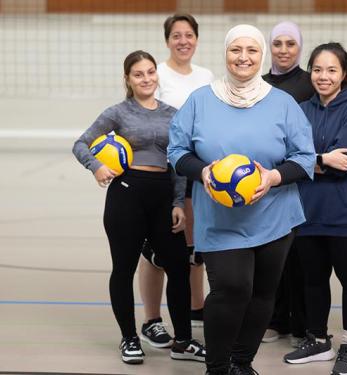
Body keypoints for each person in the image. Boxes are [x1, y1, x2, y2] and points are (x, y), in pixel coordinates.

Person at [168, 24, 316, 375]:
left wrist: (273, 177)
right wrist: (203, 172)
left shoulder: (282, 103)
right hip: (220, 218)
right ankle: (217, 367)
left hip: (275, 214)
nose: (243, 57)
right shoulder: (200, 100)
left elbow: (305, 157)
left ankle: (242, 362)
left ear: (260, 55)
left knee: (264, 293)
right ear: (225, 53)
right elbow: (176, 151)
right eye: (236, 50)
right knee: (231, 289)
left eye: (251, 50)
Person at [72, 50, 205, 364]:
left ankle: (183, 342)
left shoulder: (173, 113)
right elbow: (81, 143)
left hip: (163, 198)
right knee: (123, 268)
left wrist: (177, 203)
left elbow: (178, 162)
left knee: (177, 266)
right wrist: (96, 167)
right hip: (127, 195)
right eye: (138, 74)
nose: (146, 79)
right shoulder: (118, 112)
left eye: (150, 72)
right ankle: (129, 339)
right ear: (128, 80)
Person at [282, 42, 347, 375]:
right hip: (309, 213)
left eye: (331, 70)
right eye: (318, 69)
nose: (323, 76)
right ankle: (318, 339)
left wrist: (309, 162)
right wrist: (318, 159)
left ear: (344, 74)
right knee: (314, 282)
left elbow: (343, 162)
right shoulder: (302, 109)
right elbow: (289, 157)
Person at [138, 13, 215, 350]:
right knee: (156, 248)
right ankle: (151, 320)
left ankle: (196, 308)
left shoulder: (207, 76)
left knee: (192, 246)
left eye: (189, 35)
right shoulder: (159, 74)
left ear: (197, 39)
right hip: (164, 170)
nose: (183, 41)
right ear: (167, 40)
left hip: (198, 168)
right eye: (176, 35)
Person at [261, 21, 314, 347]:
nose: (283, 50)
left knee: (300, 258)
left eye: (290, 44)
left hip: (298, 178)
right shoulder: (260, 83)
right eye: (277, 43)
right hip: (265, 181)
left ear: (299, 48)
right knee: (272, 255)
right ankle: (275, 320)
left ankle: (301, 325)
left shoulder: (310, 83)